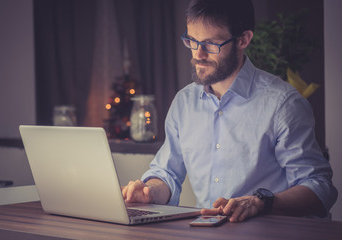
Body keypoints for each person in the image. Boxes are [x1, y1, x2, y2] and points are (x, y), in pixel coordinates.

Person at [121, 0, 338, 222]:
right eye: (192, 41)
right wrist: (150, 192)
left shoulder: (283, 104)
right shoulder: (184, 103)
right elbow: (166, 173)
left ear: (243, 40)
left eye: (211, 44)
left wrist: (261, 202)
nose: (198, 54)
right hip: (204, 233)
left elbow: (319, 189)